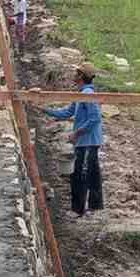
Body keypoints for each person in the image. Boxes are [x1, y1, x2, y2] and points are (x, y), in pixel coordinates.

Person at [44, 62, 104, 217]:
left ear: (81, 76)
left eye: (76, 73)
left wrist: (77, 133)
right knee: (92, 173)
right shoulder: (80, 94)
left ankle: (78, 210)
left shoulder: (88, 95)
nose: (73, 75)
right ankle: (95, 206)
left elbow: (94, 119)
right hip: (87, 141)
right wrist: (45, 110)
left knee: (79, 174)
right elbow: (67, 112)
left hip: (87, 142)